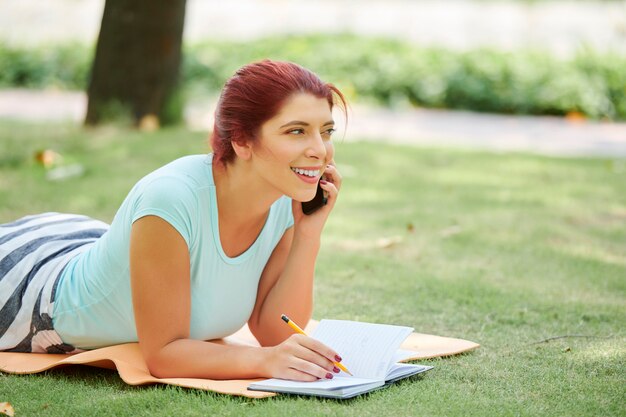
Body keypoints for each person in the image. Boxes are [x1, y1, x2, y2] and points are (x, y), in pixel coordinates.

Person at [0, 60, 348, 382]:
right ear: (242, 140)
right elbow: (164, 355)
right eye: (297, 131)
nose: (320, 150)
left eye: (326, 131)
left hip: (81, 242)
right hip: (31, 294)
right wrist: (264, 362)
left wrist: (308, 234)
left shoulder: (285, 198)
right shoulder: (170, 198)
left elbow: (277, 333)